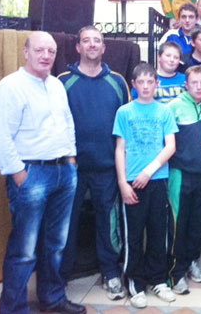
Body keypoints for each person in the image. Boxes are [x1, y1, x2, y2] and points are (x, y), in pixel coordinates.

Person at [0, 32, 85, 314]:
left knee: (56, 244)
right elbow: (0, 138)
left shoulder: (56, 85)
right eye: (40, 50)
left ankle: (53, 299)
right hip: (31, 175)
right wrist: (19, 174)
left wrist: (71, 159)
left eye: (51, 51)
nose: (46, 56)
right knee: (24, 249)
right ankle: (14, 308)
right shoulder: (10, 87)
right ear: (26, 52)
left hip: (63, 173)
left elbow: (67, 122)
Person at [59, 26, 130, 300]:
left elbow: (126, 122)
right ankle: (59, 278)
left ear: (104, 48)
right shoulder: (63, 81)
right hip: (69, 168)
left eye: (96, 41)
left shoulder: (118, 82)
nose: (91, 45)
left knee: (108, 223)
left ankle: (111, 273)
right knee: (65, 224)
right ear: (77, 47)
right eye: (86, 41)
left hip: (108, 168)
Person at [113, 62, 178, 309]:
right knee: (134, 234)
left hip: (157, 180)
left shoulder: (164, 112)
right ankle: (135, 283)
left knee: (158, 232)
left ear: (156, 84)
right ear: (134, 85)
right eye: (141, 82)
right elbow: (120, 148)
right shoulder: (124, 112)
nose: (146, 86)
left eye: (150, 82)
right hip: (131, 182)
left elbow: (170, 146)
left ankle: (158, 279)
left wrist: (149, 171)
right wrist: (122, 183)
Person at [168, 66, 201, 294]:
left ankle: (190, 261)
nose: (199, 87)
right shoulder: (173, 108)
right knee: (179, 223)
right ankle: (175, 272)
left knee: (199, 224)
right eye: (194, 83)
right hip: (180, 174)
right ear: (186, 84)